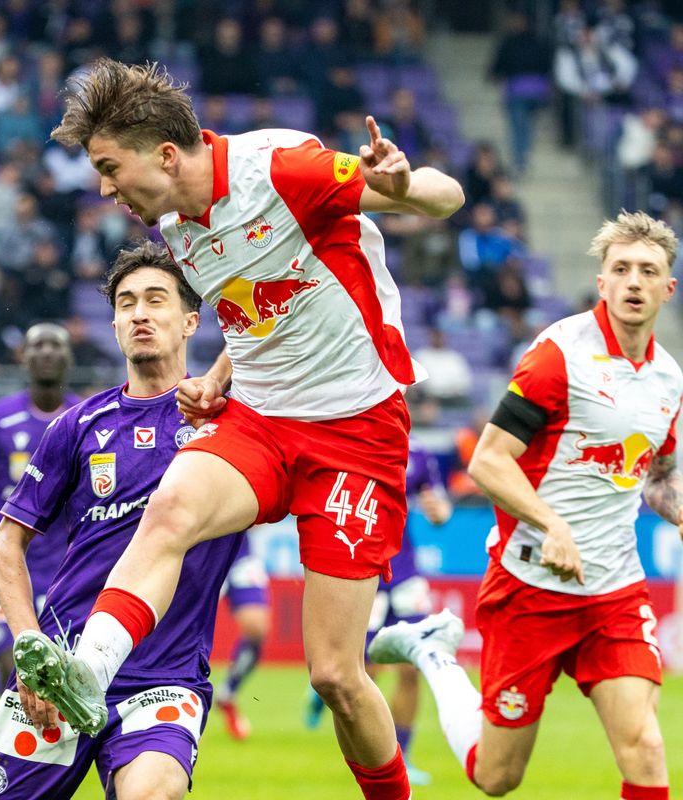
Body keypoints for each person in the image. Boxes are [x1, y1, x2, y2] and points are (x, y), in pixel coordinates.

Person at [11, 58, 464, 800]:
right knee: (171, 509)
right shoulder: (173, 226)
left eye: (109, 168)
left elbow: (448, 197)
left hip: (355, 431)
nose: (104, 189)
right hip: (260, 420)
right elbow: (255, 308)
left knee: (336, 675)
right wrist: (221, 377)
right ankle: (89, 672)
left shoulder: (281, 169)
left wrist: (404, 182)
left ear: (164, 155)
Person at [369, 211, 680, 800]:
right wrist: (550, 523)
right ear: (602, 283)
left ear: (669, 287)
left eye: (648, 271)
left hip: (614, 590)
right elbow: (488, 460)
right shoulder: (559, 354)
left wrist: (681, 510)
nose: (634, 282)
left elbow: (658, 477)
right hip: (529, 585)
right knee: (497, 777)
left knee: (645, 745)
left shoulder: (667, 378)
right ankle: (434, 656)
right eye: (621, 269)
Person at [0, 240, 246, 799]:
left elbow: (271, 328)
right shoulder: (78, 425)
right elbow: (6, 544)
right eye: (126, 303)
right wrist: (31, 650)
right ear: (113, 326)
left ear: (191, 321)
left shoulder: (231, 425)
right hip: (61, 670)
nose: (139, 314)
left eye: (156, 300)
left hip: (163, 678)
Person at [306, 437, 453, 787]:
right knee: (360, 671)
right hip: (363, 570)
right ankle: (326, 698)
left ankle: (403, 754)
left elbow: (439, 504)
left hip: (406, 574)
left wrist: (439, 512)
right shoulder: (354, 439)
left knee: (410, 669)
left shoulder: (418, 452)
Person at [0, 323, 78, 739]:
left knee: (50, 657)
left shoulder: (85, 418)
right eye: (37, 345)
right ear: (23, 356)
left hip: (62, 561)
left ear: (69, 358)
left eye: (55, 345)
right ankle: (6, 701)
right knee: (13, 653)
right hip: (6, 557)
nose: (46, 352)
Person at [213, 534, 271, 741]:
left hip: (239, 553)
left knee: (257, 629)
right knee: (183, 624)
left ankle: (227, 693)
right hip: (196, 547)